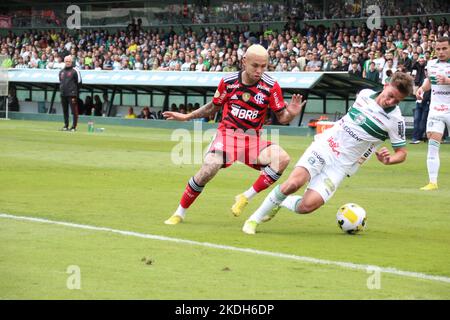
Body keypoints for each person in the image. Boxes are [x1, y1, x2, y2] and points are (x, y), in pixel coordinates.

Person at [242, 72, 414, 234]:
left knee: (307, 206)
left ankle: (281, 202)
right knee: (293, 183)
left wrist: (389, 159)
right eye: (390, 96)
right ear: (385, 85)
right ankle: (253, 220)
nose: (391, 102)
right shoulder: (364, 94)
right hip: (325, 146)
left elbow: (402, 152)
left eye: (397, 101)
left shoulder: (395, 120)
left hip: (341, 165)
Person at [162, 44, 306, 225]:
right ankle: (179, 213)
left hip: (252, 140)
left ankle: (245, 197)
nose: (259, 71)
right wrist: (187, 116)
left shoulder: (271, 87)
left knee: (282, 159)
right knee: (209, 168)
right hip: (227, 136)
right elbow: (213, 107)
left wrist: (291, 113)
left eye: (264, 66)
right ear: (244, 61)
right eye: (255, 65)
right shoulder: (229, 82)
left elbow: (282, 117)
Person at [416, 37, 450, 191]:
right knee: (433, 143)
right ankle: (432, 182)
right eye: (438, 49)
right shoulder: (431, 64)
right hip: (436, 108)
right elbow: (429, 81)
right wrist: (422, 89)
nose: (441, 52)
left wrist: (448, 80)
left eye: (444, 48)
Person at [59, 55, 81, 131]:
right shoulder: (61, 71)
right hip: (63, 94)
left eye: (69, 61)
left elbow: (79, 82)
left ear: (72, 62)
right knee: (65, 111)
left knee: (74, 111)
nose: (67, 63)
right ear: (64, 62)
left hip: (72, 95)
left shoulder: (75, 71)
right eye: (66, 61)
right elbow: (60, 82)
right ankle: (66, 125)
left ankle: (74, 127)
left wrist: (75, 92)